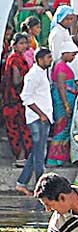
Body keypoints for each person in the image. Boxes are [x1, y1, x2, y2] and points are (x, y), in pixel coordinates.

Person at [16, 48, 53, 197]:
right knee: (39, 154)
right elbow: (25, 97)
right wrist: (41, 114)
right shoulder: (33, 75)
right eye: (48, 57)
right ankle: (41, 187)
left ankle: (21, 183)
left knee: (37, 152)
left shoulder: (42, 73)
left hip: (43, 117)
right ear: (40, 59)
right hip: (37, 119)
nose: (50, 60)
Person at [1, 33, 33, 169]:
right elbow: (16, 80)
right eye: (21, 43)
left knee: (19, 128)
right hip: (15, 100)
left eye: (25, 43)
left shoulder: (18, 58)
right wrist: (28, 77)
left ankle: (23, 157)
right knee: (19, 129)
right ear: (14, 45)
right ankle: (21, 157)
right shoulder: (14, 59)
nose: (24, 46)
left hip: (15, 100)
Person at [47, 42, 78, 167]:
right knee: (61, 129)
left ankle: (60, 158)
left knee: (64, 129)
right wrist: (66, 104)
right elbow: (61, 87)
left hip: (66, 99)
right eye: (72, 54)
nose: (73, 57)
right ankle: (54, 159)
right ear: (65, 53)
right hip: (62, 101)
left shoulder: (61, 64)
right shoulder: (60, 67)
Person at [48, 6, 78, 81]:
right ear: (60, 18)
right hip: (63, 72)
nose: (69, 22)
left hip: (71, 68)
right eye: (67, 19)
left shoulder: (64, 30)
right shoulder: (57, 33)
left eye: (71, 19)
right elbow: (56, 55)